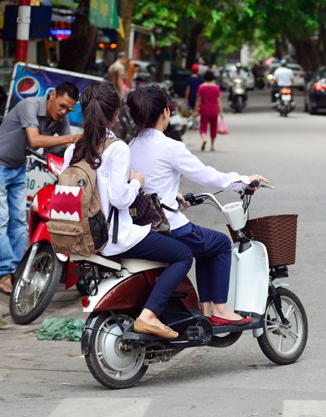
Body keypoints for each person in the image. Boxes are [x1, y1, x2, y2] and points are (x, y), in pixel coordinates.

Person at [126, 84, 269, 326]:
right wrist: (243, 180)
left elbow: (146, 185)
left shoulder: (130, 146)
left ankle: (206, 307)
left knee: (206, 244)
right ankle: (220, 309)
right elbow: (206, 176)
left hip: (142, 223)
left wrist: (174, 195)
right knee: (222, 243)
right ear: (165, 112)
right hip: (168, 225)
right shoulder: (170, 147)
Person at [63, 81, 193, 339]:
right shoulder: (117, 148)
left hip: (83, 236)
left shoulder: (72, 149)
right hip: (115, 238)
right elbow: (121, 199)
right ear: (115, 114)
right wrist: (137, 182)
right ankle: (149, 315)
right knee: (183, 254)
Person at [0, 82, 82, 296]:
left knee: (19, 222)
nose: (63, 112)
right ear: (52, 95)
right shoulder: (30, 105)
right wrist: (71, 137)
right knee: (1, 221)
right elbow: (34, 139)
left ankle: (16, 269)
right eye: (61, 106)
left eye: (68, 110)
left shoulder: (60, 118)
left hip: (17, 167)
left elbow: (67, 148)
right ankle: (4, 272)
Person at [194, 70, 224, 152]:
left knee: (203, 127)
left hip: (204, 110)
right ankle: (212, 146)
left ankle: (204, 139)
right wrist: (221, 112)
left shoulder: (201, 87)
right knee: (213, 128)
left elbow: (198, 100)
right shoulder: (216, 87)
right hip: (214, 110)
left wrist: (196, 109)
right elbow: (219, 101)